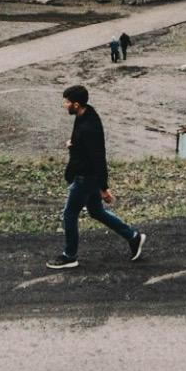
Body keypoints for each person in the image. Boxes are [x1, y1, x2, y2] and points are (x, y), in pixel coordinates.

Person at [48, 83, 145, 269]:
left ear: (76, 104)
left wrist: (103, 187)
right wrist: (74, 145)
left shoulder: (89, 127)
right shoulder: (85, 114)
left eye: (66, 102)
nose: (64, 105)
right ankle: (133, 237)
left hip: (86, 177)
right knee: (96, 211)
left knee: (69, 214)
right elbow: (85, 146)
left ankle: (70, 256)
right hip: (86, 175)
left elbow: (98, 157)